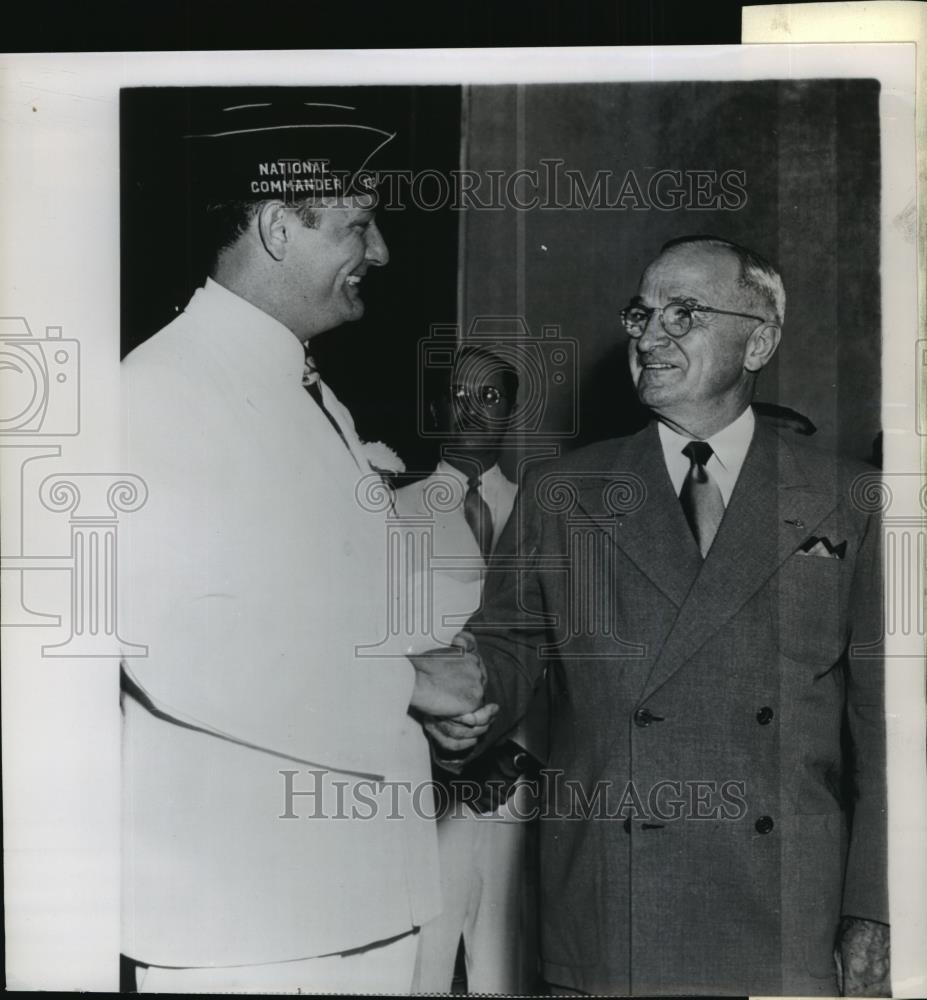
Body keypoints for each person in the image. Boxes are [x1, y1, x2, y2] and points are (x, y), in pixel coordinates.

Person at [425, 236, 889, 996]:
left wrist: (876, 909)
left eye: (684, 313)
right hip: (614, 902)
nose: (648, 335)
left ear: (759, 340)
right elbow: (505, 647)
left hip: (789, 910)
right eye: (641, 314)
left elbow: (890, 732)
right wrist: (465, 701)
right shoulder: (563, 491)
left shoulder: (850, 498)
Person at [119, 100, 484, 993]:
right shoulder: (161, 392)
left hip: (358, 893)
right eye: (359, 226)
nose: (382, 254)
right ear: (279, 228)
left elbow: (328, 608)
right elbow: (185, 644)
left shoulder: (306, 391)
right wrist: (412, 685)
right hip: (254, 918)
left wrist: (433, 704)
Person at [395, 346, 542, 994]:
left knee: (511, 960)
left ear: (510, 411)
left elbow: (559, 651)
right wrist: (444, 747)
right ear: (434, 408)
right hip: (428, 768)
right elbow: (380, 646)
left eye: (489, 397)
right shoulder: (391, 512)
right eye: (457, 395)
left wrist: (513, 748)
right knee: (422, 957)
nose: (472, 410)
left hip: (526, 776)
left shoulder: (550, 515)